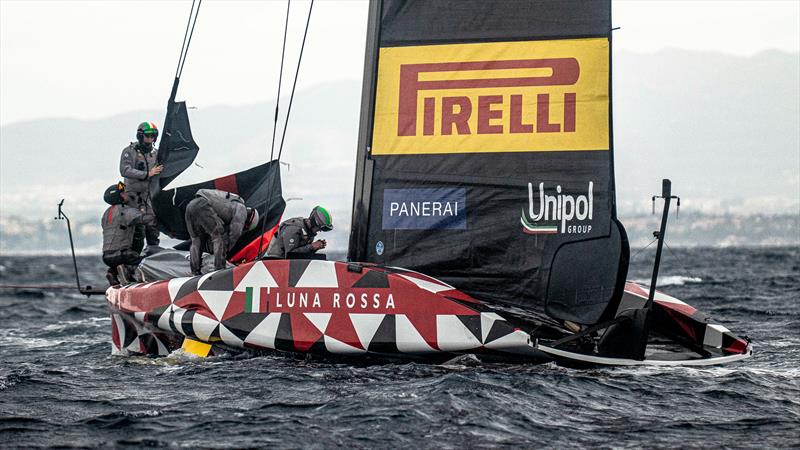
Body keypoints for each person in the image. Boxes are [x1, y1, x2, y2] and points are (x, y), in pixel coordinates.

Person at [185, 189, 260, 275]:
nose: (244, 228)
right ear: (249, 220)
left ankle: (195, 272)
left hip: (191, 206)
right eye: (246, 227)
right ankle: (219, 271)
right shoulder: (242, 209)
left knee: (196, 240)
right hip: (203, 205)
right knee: (219, 236)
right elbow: (235, 233)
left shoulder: (232, 202)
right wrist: (227, 251)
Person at [119, 121, 163, 253]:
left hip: (149, 197)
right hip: (132, 197)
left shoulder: (156, 154)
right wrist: (147, 174)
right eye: (148, 135)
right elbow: (125, 170)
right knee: (137, 229)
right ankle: (133, 259)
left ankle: (153, 254)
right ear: (140, 136)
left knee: (153, 226)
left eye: (153, 136)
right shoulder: (129, 152)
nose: (150, 138)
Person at [101, 182, 144, 286]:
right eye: (123, 193)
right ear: (119, 197)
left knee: (120, 259)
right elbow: (145, 219)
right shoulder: (125, 210)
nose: (126, 194)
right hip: (123, 255)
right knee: (146, 261)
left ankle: (112, 272)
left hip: (106, 257)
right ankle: (130, 274)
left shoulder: (106, 214)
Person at [265, 206, 333, 259]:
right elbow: (290, 255)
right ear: (315, 222)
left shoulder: (309, 232)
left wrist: (315, 248)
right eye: (320, 228)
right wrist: (312, 246)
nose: (320, 230)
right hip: (275, 261)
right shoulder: (294, 228)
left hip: (291, 263)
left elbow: (302, 254)